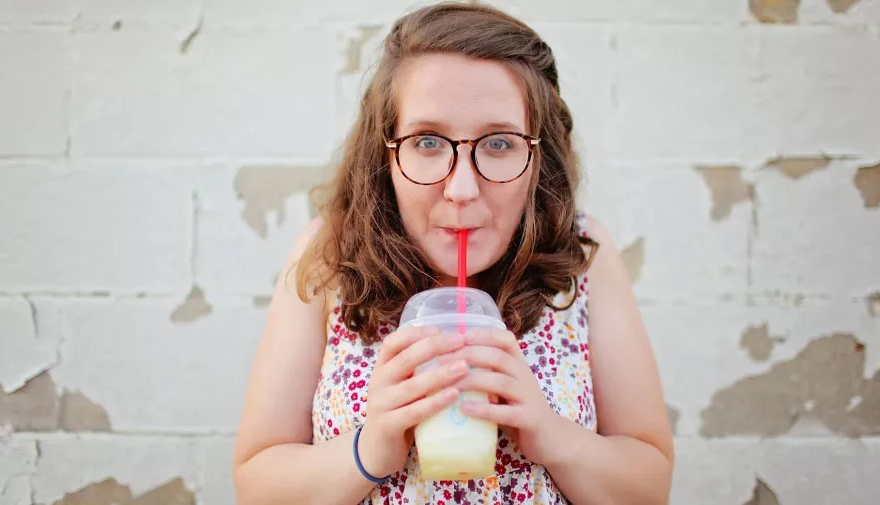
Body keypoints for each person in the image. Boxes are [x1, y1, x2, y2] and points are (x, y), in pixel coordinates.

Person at [232, 2, 674, 504]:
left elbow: (650, 485)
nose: (461, 188)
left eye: (499, 144)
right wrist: (369, 449)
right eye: (427, 141)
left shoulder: (583, 257)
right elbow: (257, 485)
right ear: (386, 153)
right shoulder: (329, 256)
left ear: (539, 154)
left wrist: (552, 437)